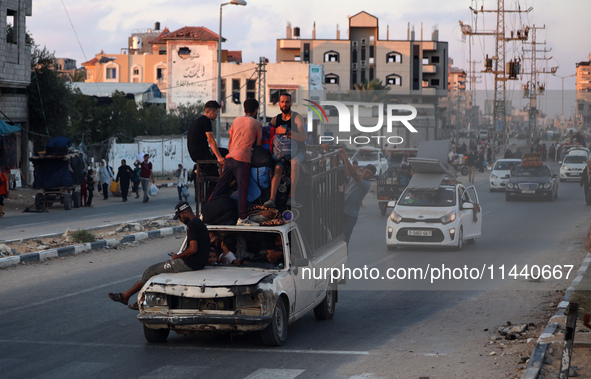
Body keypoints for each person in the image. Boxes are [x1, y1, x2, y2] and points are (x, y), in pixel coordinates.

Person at [108, 201, 209, 308]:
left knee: (151, 271)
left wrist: (177, 256)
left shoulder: (192, 225)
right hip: (198, 263)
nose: (180, 220)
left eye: (180, 217)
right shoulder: (199, 222)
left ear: (185, 213)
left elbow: (193, 249)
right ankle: (136, 298)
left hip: (190, 263)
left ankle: (130, 297)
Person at [208, 98, 262, 225]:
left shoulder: (236, 120)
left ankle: (206, 211)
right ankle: (242, 218)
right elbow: (258, 145)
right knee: (243, 188)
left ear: (244, 109)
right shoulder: (257, 124)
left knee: (220, 186)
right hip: (242, 160)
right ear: (256, 111)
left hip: (230, 157)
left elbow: (231, 141)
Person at [263, 93, 307, 209]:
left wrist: (286, 132)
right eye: (282, 102)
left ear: (291, 103)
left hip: (297, 152)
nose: (284, 104)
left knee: (294, 163)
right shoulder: (275, 119)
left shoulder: (297, 118)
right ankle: (271, 199)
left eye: (287, 102)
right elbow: (267, 133)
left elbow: (303, 137)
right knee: (277, 168)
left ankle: (291, 198)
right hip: (281, 153)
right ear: (279, 103)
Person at [187, 100, 225, 200]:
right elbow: (211, 140)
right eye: (217, 112)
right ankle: (209, 202)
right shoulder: (206, 121)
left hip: (197, 154)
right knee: (215, 180)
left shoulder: (197, 121)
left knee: (223, 151)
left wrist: (211, 151)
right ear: (212, 112)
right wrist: (219, 157)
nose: (217, 115)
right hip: (203, 156)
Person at [339, 148, 376, 244]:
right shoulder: (357, 176)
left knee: (345, 239)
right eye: (367, 172)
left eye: (370, 174)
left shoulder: (366, 184)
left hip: (350, 215)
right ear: (363, 170)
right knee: (336, 238)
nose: (367, 175)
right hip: (342, 210)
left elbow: (353, 173)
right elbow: (345, 170)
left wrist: (344, 156)